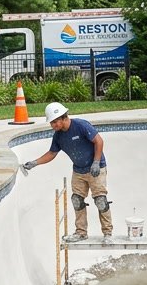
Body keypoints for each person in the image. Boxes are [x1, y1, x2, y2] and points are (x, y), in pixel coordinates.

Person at [21, 102, 113, 243]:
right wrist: (35, 163)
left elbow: (99, 141)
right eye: (51, 123)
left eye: (55, 122)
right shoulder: (58, 136)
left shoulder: (81, 125)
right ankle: (81, 233)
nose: (53, 125)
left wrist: (96, 162)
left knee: (100, 200)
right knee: (76, 200)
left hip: (96, 168)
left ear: (64, 117)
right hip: (78, 170)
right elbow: (52, 153)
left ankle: (108, 233)